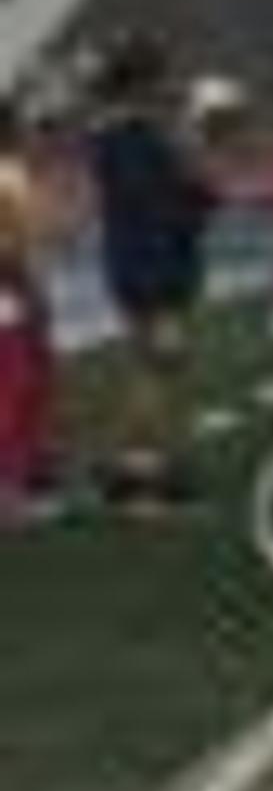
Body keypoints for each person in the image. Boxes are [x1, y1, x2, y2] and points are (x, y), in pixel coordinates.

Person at [84, 34, 221, 509]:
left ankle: (132, 463)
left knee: (151, 366)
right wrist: (197, 184)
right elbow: (164, 204)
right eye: (161, 75)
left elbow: (177, 196)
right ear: (141, 81)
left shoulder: (119, 133)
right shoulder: (135, 137)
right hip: (153, 267)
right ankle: (141, 469)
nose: (169, 83)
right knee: (160, 366)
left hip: (137, 262)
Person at [0, 97, 57, 520]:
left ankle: (27, 479)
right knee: (17, 395)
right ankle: (10, 490)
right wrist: (33, 294)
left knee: (24, 392)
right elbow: (12, 251)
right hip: (11, 305)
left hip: (14, 300)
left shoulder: (15, 177)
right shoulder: (9, 178)